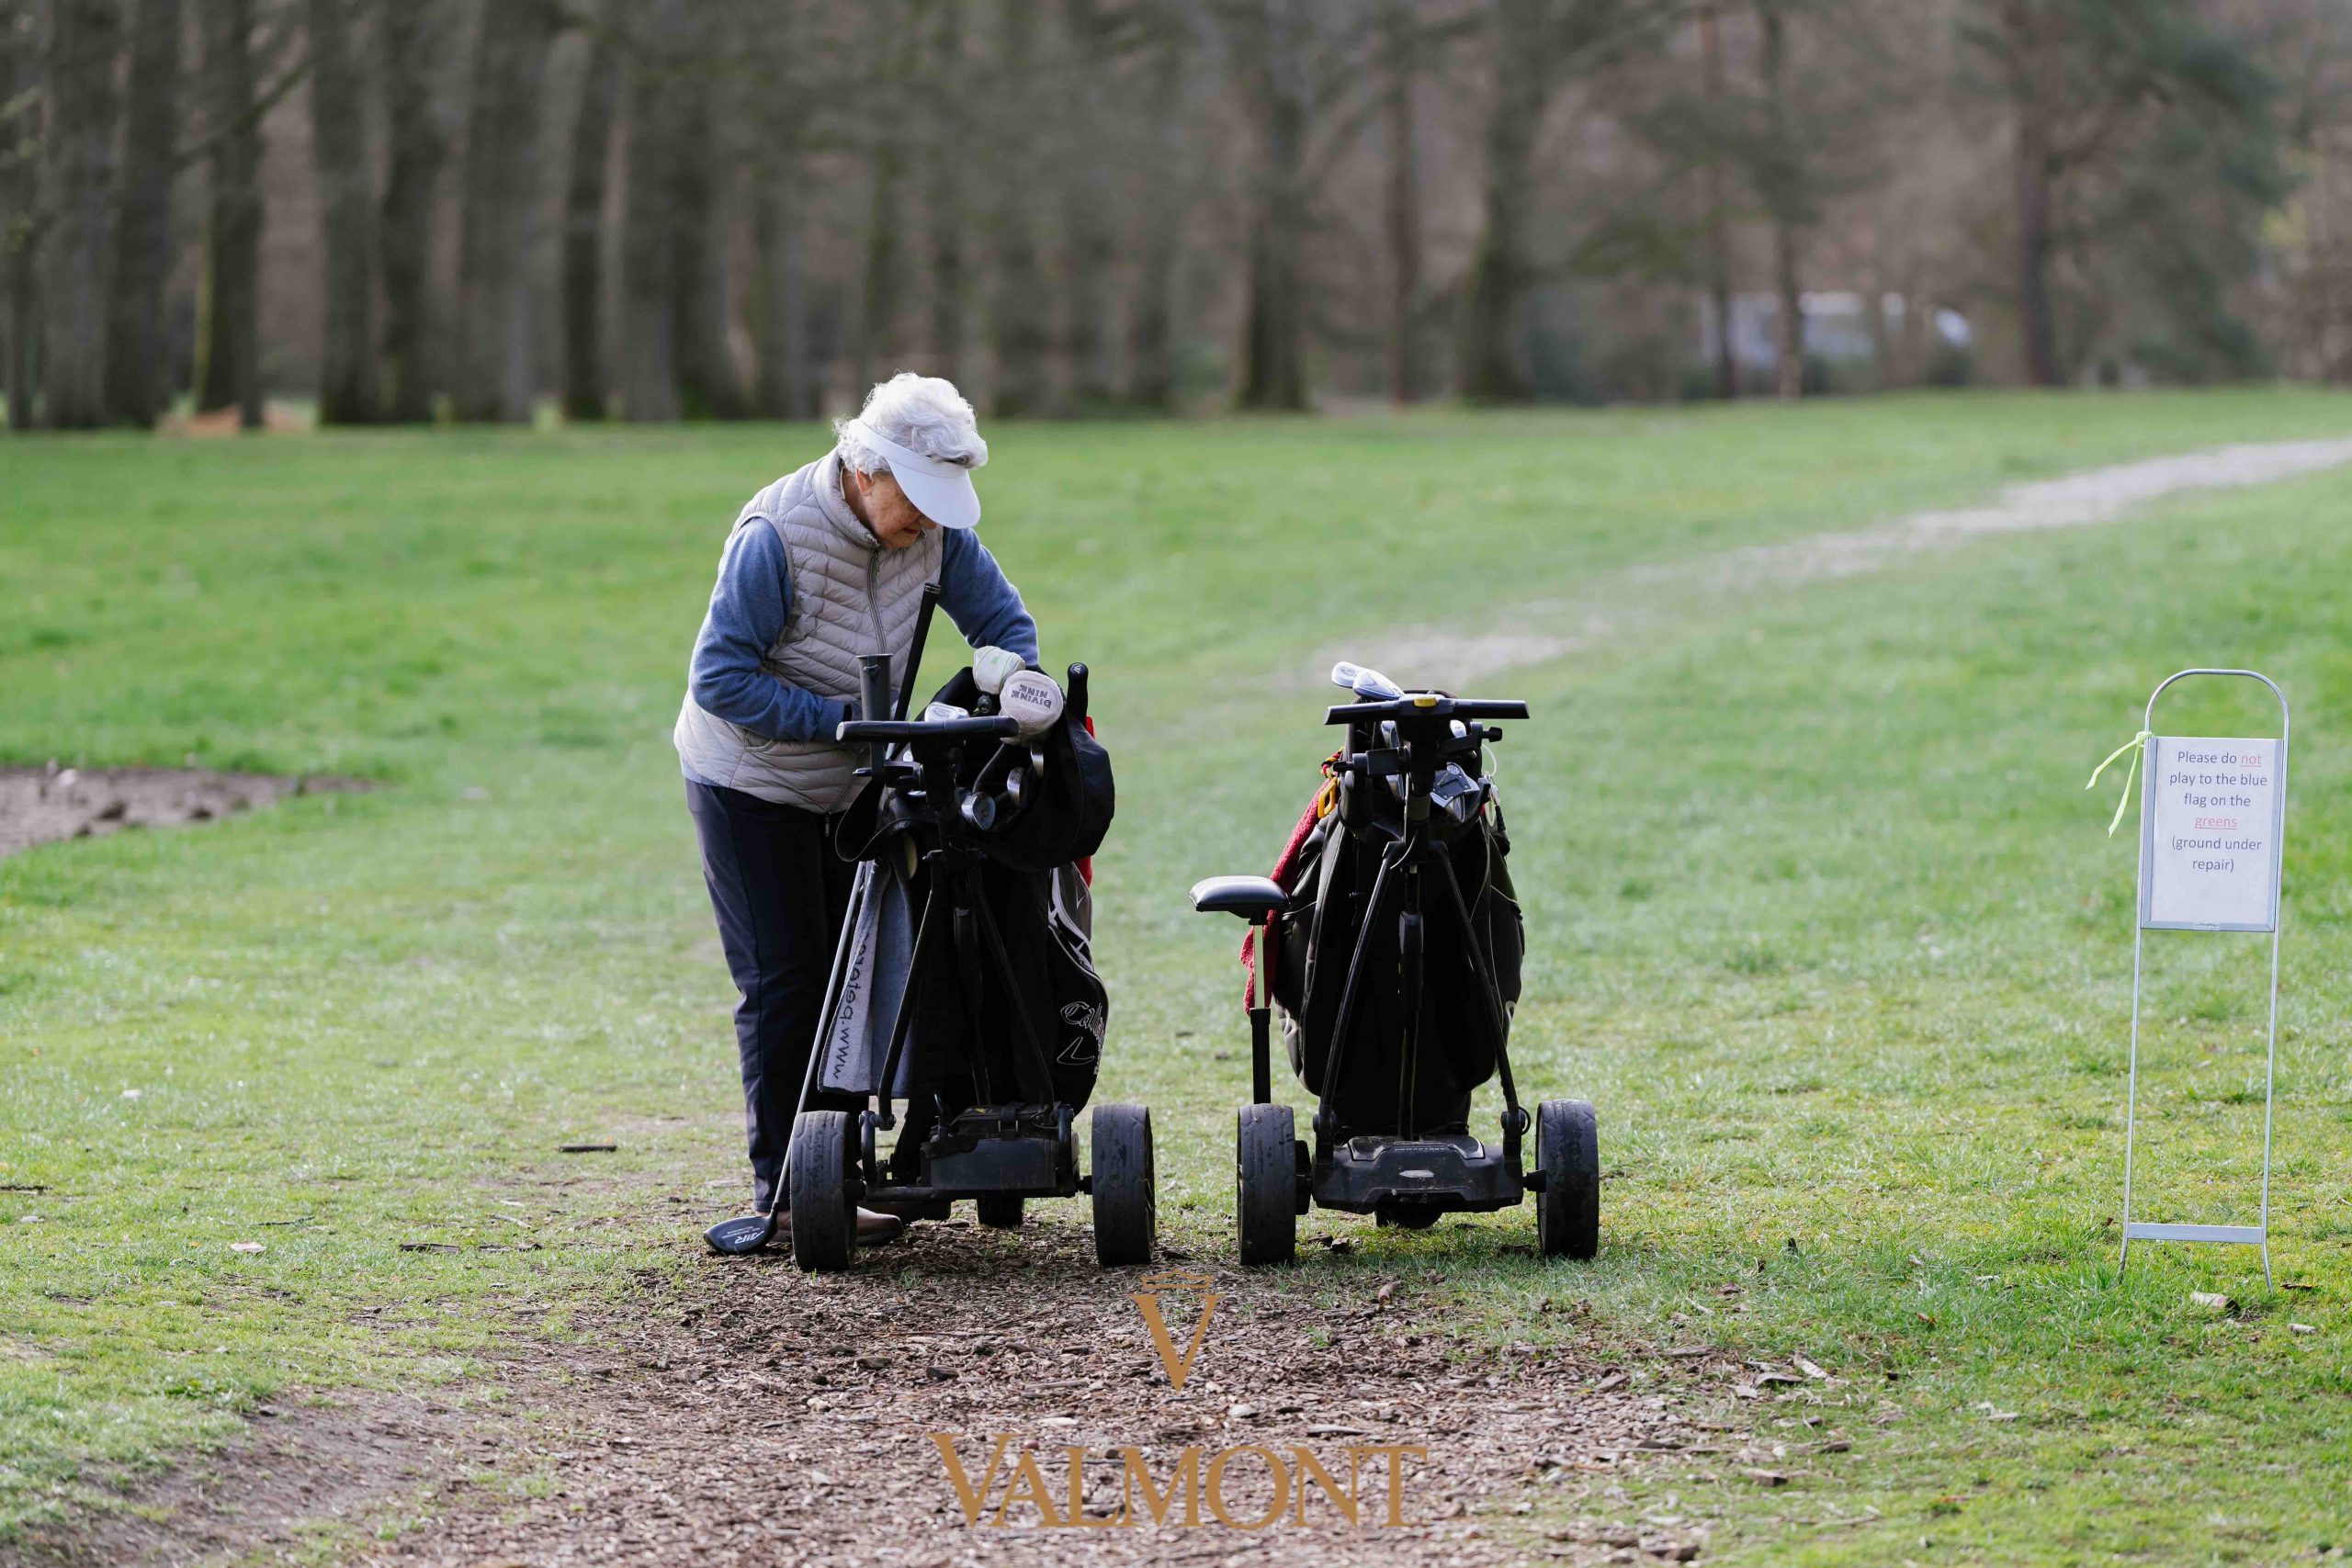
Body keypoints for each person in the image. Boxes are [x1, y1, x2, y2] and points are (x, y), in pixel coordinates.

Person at [675, 373, 1039, 1244]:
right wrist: (849, 724)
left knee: (851, 980)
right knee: (784, 981)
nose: (927, 521)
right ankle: (787, 1193)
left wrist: (1010, 686)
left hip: (852, 788)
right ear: (865, 470)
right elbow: (719, 679)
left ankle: (835, 1182)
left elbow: (1005, 625)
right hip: (747, 784)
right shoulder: (776, 537)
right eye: (915, 499)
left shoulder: (936, 536)